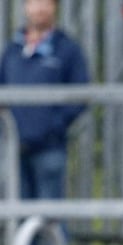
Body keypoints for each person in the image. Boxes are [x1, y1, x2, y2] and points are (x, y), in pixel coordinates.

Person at [0, 0, 89, 201]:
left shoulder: (67, 49)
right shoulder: (12, 49)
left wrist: (53, 127)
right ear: (25, 7)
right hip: (14, 148)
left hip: (50, 148)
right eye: (34, 2)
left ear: (55, 7)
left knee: (50, 217)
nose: (40, 8)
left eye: (45, 3)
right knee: (18, 214)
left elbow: (80, 95)